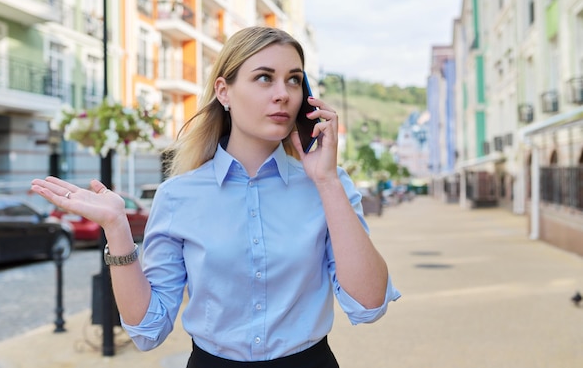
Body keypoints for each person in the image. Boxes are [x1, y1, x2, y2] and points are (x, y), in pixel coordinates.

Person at [31, 26, 400, 367]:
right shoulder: (178, 195)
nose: (283, 94)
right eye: (264, 78)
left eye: (294, 80)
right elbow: (148, 330)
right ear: (224, 91)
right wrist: (116, 227)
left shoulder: (328, 185)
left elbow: (369, 304)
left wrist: (328, 183)